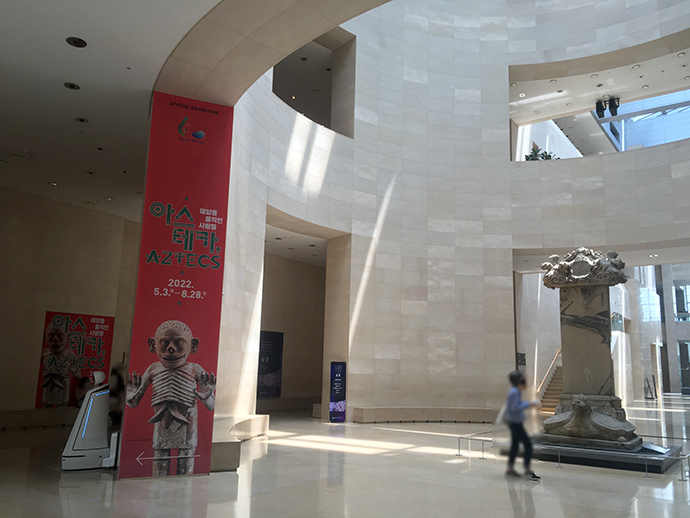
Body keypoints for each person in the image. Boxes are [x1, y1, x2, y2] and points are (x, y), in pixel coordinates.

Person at [126, 320, 216, 476]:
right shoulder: (154, 369)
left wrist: (206, 396)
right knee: (159, 462)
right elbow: (133, 403)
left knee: (186, 463)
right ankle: (159, 490)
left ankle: (184, 490)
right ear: (153, 345)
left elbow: (211, 406)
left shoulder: (194, 369)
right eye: (164, 343)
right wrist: (130, 395)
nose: (171, 348)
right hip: (162, 424)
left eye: (179, 343)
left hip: (187, 425)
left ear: (192, 345)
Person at [505, 370, 540, 480]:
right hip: (515, 423)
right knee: (528, 445)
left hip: (514, 422)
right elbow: (515, 407)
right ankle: (527, 470)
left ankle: (510, 469)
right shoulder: (515, 392)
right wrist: (529, 404)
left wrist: (526, 403)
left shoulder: (515, 391)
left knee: (515, 446)